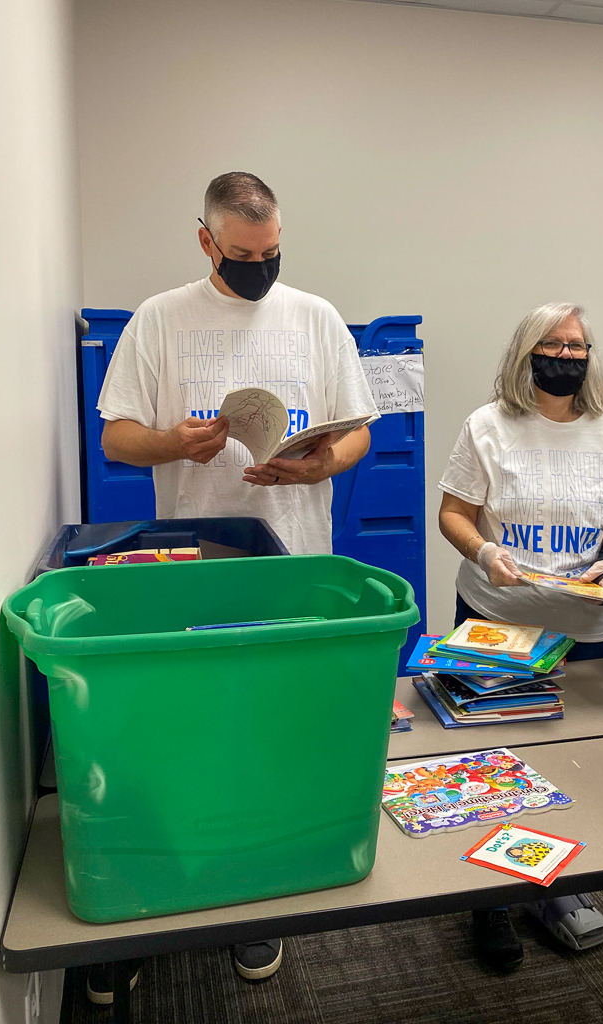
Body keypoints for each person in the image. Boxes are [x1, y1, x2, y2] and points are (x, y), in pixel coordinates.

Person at [85, 171, 378, 1003]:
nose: (262, 265)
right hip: (196, 565)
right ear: (206, 240)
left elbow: (355, 432)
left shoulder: (315, 317)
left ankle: (258, 906)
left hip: (296, 559)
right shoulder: (160, 319)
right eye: (245, 253)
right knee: (181, 736)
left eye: (274, 249)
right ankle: (160, 908)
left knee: (278, 732)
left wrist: (324, 459)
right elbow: (116, 440)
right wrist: (176, 444)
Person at [438, 302, 603, 969]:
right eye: (553, 345)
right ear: (527, 352)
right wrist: (484, 554)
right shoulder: (488, 426)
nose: (567, 356)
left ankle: (557, 890)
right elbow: (453, 513)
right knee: (498, 765)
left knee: (581, 761)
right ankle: (492, 901)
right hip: (500, 620)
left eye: (578, 346)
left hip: (589, 628)